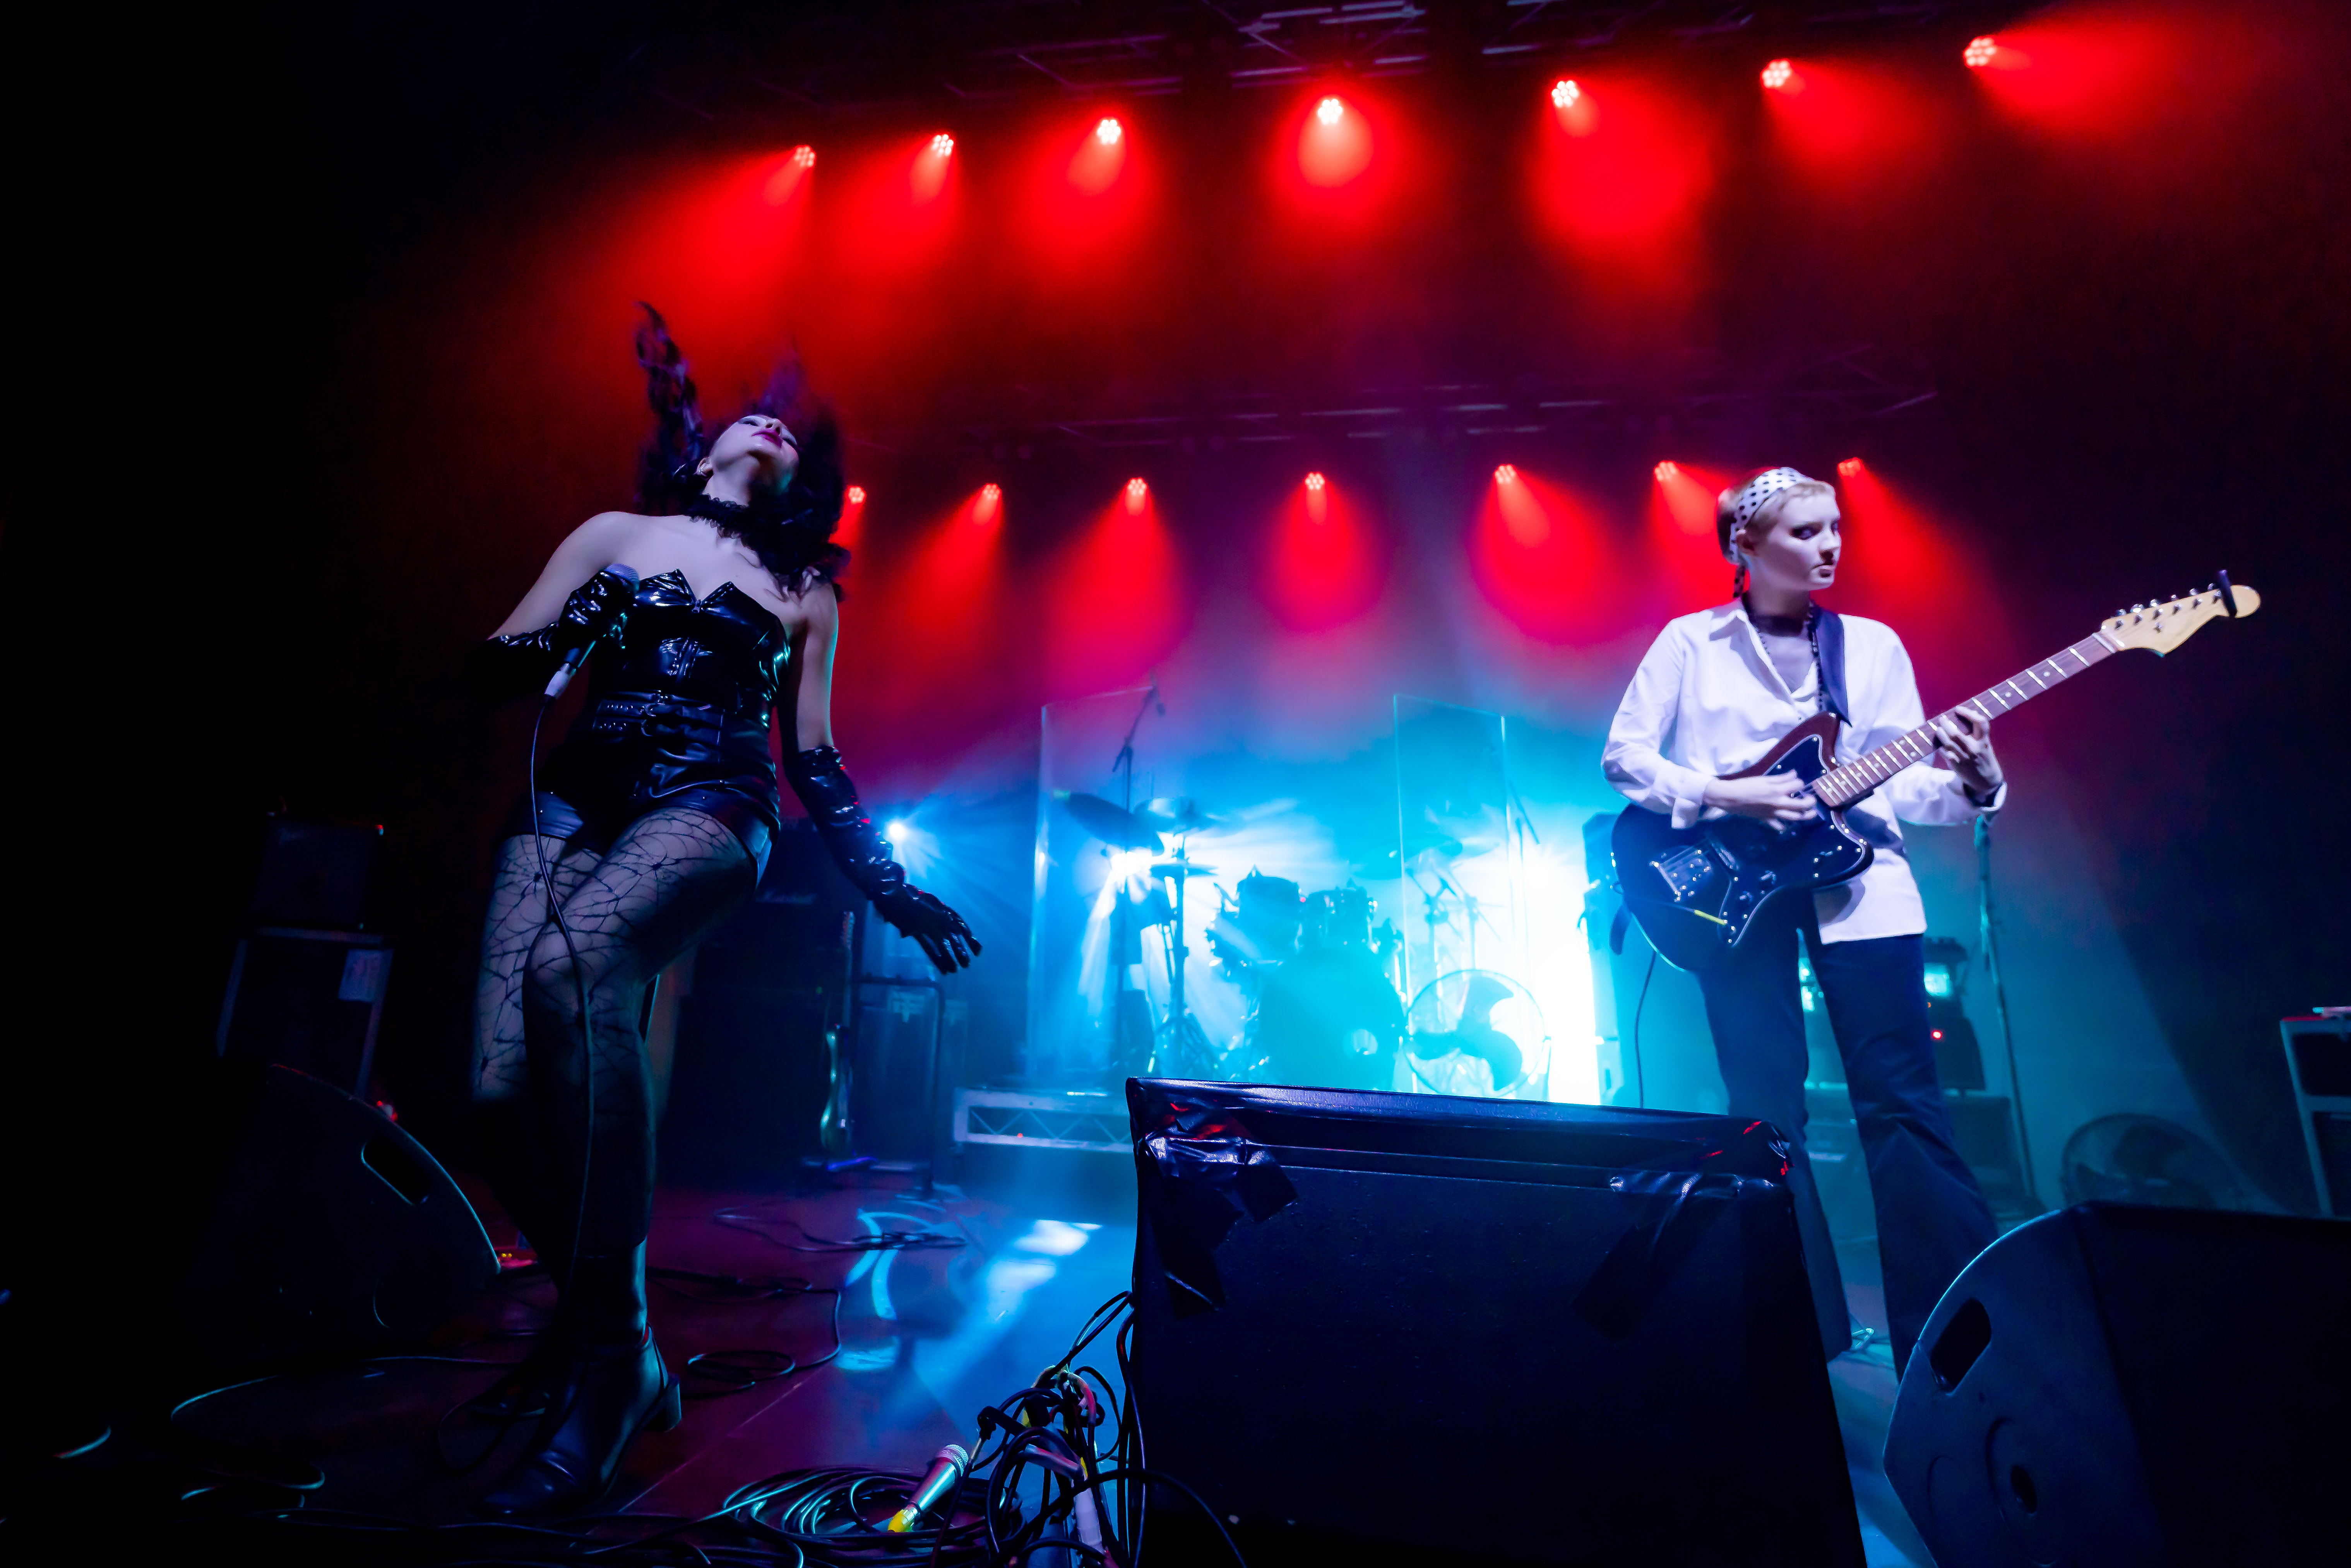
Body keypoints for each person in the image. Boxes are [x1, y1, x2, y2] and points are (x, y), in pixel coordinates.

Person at [462, 306, 978, 1514]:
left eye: (791, 432)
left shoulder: (803, 590)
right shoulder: (613, 534)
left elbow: (816, 760)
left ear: (801, 483)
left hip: (712, 798)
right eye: (751, 415)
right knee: (495, 1090)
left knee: (575, 972)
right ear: (698, 448)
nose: (772, 424)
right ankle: (619, 1337)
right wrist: (581, 620)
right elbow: (491, 668)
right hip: (572, 798)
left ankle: (605, 1363)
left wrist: (891, 887)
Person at [1601, 466, 2001, 1373]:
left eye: (1833, 528)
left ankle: (1954, 1342)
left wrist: (1974, 779)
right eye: (1804, 531)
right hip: (1729, 895)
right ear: (1743, 546)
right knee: (1763, 1112)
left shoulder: (1871, 646)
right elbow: (1624, 759)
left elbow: (1908, 787)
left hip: (1863, 889)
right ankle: (1794, 1332)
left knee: (1902, 1104)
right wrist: (1725, 794)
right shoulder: (1689, 642)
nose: (1829, 545)